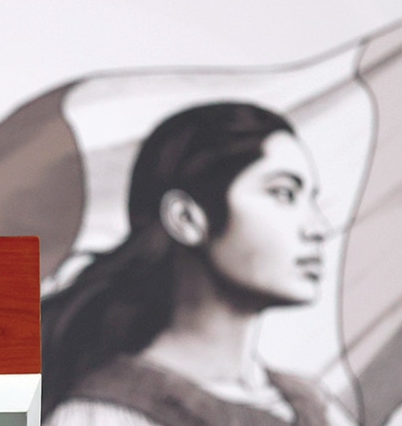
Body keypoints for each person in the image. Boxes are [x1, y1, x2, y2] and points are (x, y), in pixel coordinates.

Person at [41, 103, 354, 426]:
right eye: (283, 194)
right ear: (186, 218)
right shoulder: (107, 415)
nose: (318, 228)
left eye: (311, 199)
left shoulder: (313, 405)